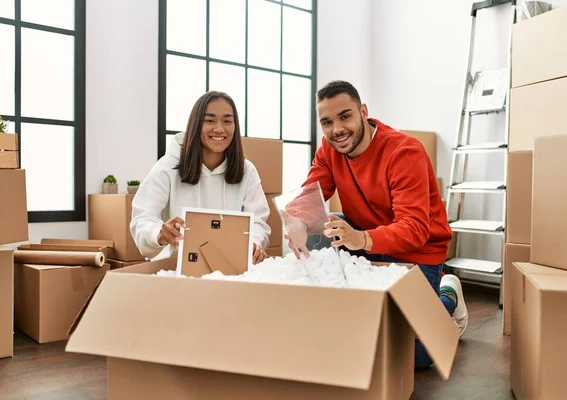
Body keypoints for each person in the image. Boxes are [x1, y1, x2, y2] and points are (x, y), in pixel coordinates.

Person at [282, 80, 468, 369]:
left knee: (410, 356)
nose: (337, 130)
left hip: (416, 254)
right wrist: (297, 222)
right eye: (327, 122)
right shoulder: (330, 149)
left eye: (345, 116)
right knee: (322, 232)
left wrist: (363, 240)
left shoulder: (404, 152)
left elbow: (415, 229)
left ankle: (447, 296)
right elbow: (310, 194)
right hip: (364, 236)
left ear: (363, 112)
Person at [130, 90, 271, 264]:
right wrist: (159, 233)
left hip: (231, 269)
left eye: (227, 121)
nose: (219, 128)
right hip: (176, 270)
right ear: (196, 124)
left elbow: (258, 221)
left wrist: (255, 243)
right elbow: (142, 219)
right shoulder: (168, 166)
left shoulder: (246, 171)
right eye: (210, 120)